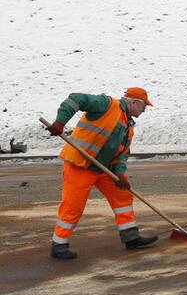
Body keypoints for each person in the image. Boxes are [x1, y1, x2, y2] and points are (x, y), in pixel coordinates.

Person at [43, 88, 159, 259]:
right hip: (80, 164)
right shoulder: (107, 105)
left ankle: (131, 237)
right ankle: (59, 245)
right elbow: (77, 97)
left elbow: (122, 154)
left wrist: (120, 174)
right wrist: (61, 121)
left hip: (103, 169)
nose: (144, 110)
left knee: (122, 195)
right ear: (134, 103)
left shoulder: (128, 126)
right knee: (73, 206)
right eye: (144, 107)